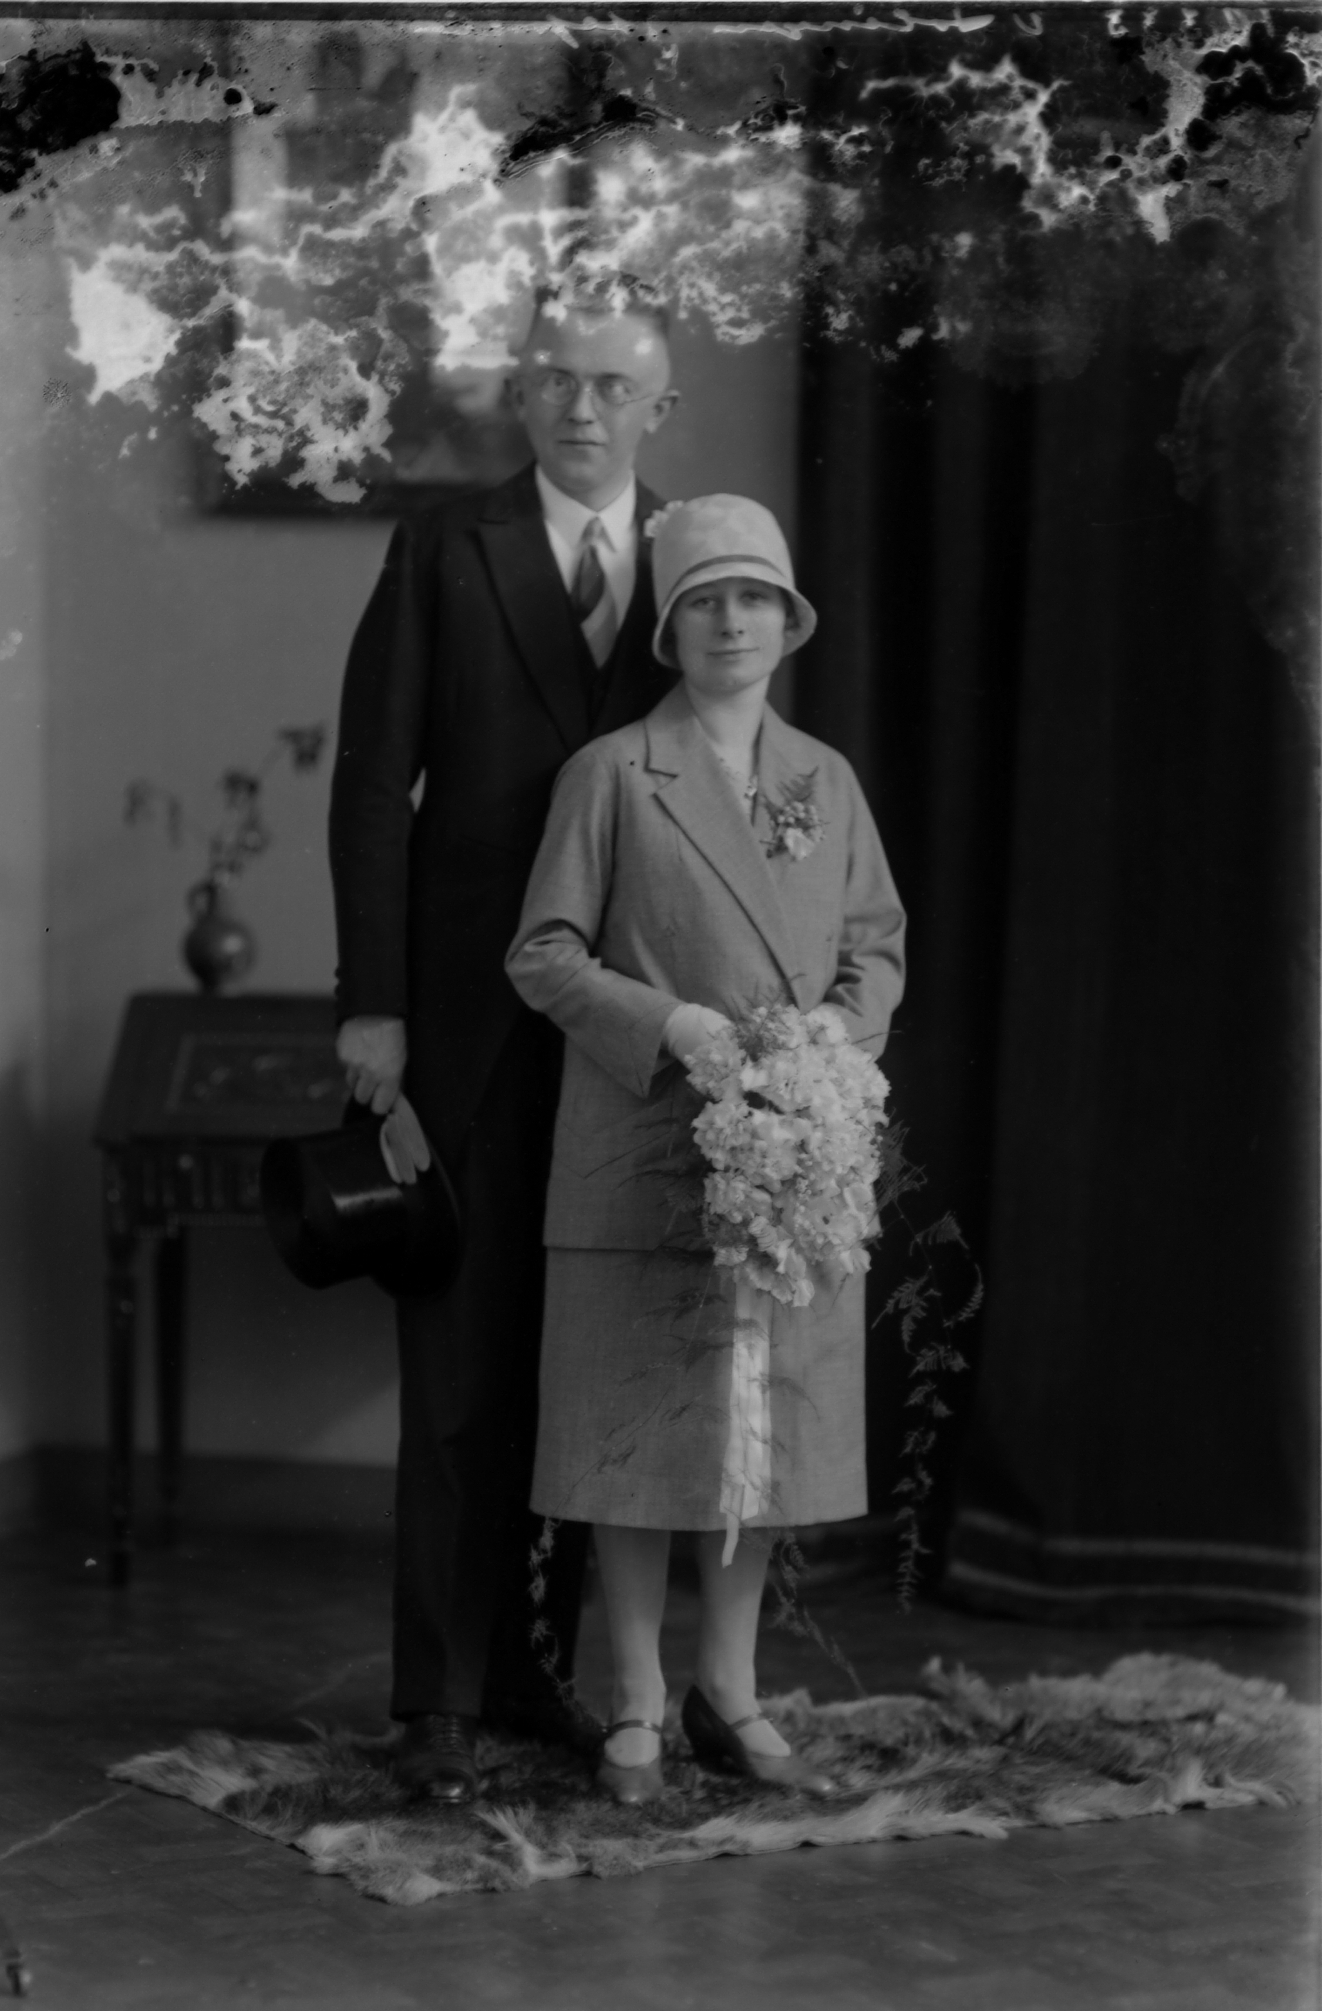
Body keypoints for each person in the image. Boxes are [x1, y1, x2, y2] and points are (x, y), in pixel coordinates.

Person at [328, 272, 681, 1803]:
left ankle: (535, 1674)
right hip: (469, 1021)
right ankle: (437, 1700)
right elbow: (371, 782)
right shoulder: (443, 545)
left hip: (631, 1026)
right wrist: (374, 1002)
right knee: (459, 1374)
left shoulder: (695, 562)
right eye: (557, 379)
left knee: (581, 1368)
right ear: (521, 392)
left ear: (658, 404)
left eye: (612, 385)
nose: (582, 407)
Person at [505, 495, 906, 1804]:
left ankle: (728, 1691)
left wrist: (824, 1049)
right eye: (704, 602)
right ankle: (633, 1698)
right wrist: (680, 1028)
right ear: (670, 630)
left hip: (789, 1160)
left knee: (758, 1432)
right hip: (641, 1145)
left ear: (787, 623)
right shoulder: (615, 772)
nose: (732, 622)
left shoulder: (824, 779)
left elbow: (876, 945)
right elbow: (542, 955)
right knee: (633, 1433)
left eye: (754, 599)